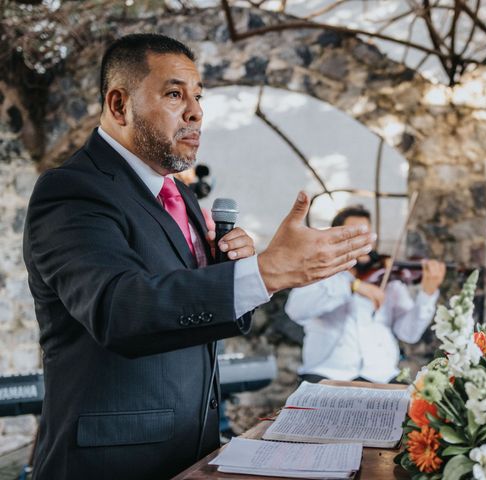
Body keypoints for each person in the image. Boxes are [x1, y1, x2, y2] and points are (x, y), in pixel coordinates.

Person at [23, 34, 374, 480]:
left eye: (198, 96)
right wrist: (262, 274)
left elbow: (186, 306)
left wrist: (236, 268)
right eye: (174, 94)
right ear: (119, 105)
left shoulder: (180, 196)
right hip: (110, 464)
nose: (196, 112)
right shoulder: (72, 190)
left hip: (192, 454)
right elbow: (117, 308)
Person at [285, 205, 446, 384]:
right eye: (354, 235)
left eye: (367, 235)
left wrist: (427, 295)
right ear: (335, 239)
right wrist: (352, 286)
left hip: (381, 375)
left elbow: (408, 333)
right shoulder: (319, 273)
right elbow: (296, 310)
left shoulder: (387, 278)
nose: (363, 242)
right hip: (327, 373)